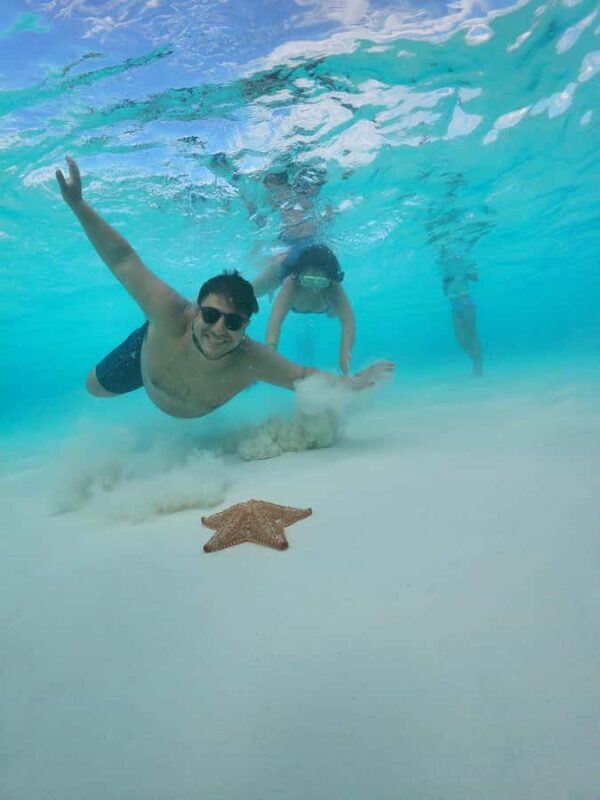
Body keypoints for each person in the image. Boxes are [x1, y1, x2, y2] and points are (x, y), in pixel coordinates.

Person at [55, 157, 393, 419]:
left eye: (232, 322)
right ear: (197, 309)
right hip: (148, 359)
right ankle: (148, 341)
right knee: (93, 388)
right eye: (212, 315)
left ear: (245, 327)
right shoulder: (171, 312)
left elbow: (303, 376)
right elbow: (123, 260)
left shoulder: (252, 358)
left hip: (198, 386)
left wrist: (355, 383)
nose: (219, 329)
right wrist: (78, 206)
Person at [442, 266, 483, 377]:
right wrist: (446, 281)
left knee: (472, 335)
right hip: (453, 303)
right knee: (459, 338)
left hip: (466, 301)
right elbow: (445, 292)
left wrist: (465, 271)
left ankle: (478, 367)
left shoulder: (464, 262)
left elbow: (476, 278)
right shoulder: (443, 267)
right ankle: (476, 361)